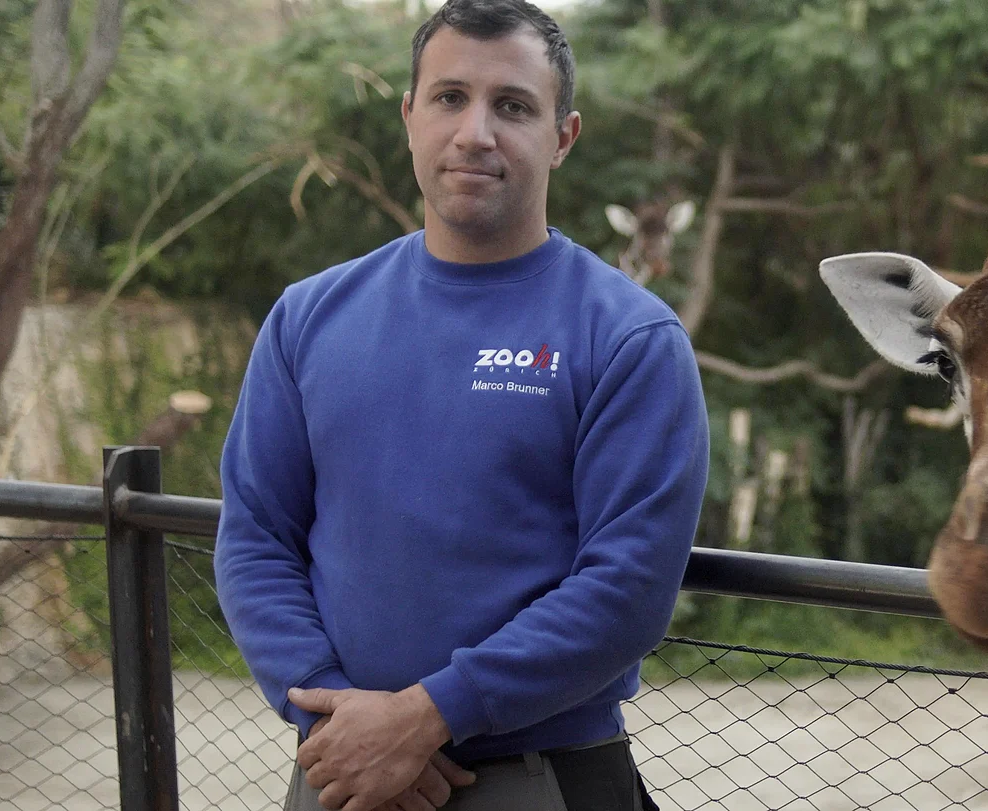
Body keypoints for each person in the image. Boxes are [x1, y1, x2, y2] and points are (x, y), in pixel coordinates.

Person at [213, 1, 709, 809]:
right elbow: (255, 536)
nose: (475, 131)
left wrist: (424, 718)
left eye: (513, 106)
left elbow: (627, 590)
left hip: (539, 780)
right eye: (449, 97)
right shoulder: (308, 317)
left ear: (563, 136)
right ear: (409, 117)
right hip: (337, 770)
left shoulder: (629, 339)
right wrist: (328, 712)